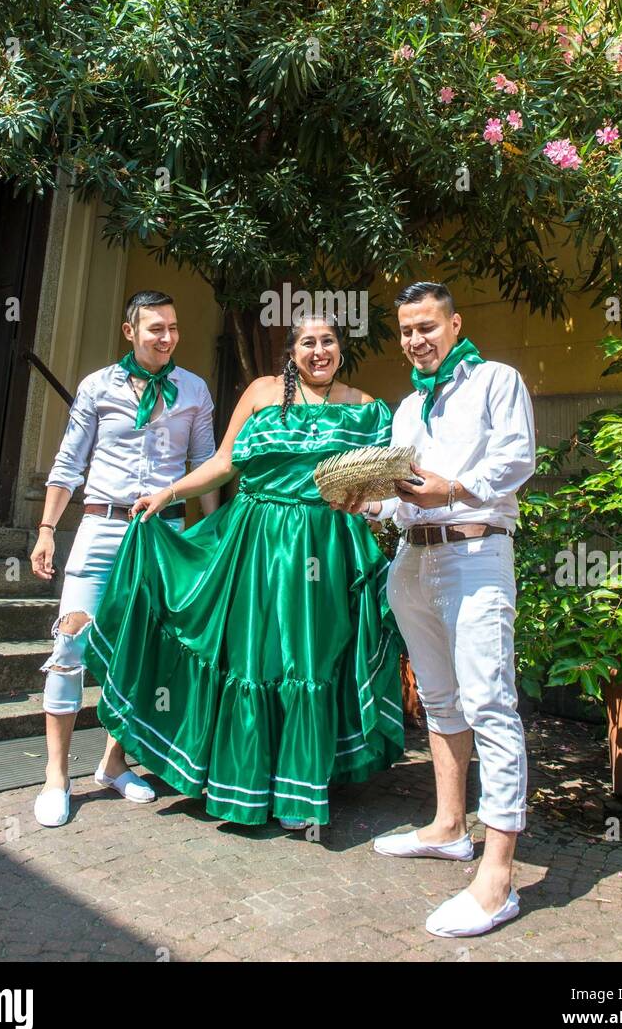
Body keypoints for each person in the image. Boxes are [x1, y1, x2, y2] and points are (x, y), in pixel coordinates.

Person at [82, 313, 404, 829]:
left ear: (342, 348)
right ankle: (242, 780)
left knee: (308, 659)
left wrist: (370, 509)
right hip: (255, 541)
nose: (318, 351)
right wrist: (170, 492)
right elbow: (226, 462)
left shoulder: (368, 409)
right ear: (291, 350)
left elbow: (383, 486)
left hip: (326, 548)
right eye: (307, 342)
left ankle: (299, 794)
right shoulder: (261, 392)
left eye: (328, 341)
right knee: (251, 656)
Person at [354, 282, 535, 938]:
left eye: (427, 326)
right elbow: (404, 498)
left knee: (489, 704)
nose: (415, 339)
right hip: (411, 561)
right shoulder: (407, 408)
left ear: (454, 324)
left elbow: (517, 458)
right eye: (405, 330)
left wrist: (453, 488)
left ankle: (496, 877)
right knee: (437, 701)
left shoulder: (495, 380)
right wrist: (367, 503)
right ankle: (448, 827)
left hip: (474, 554)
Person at [30, 290, 218, 827]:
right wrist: (46, 531)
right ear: (129, 331)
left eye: (174, 328)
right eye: (155, 328)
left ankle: (114, 763)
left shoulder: (194, 389)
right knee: (70, 643)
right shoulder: (97, 386)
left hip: (162, 534)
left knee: (145, 651)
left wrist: (207, 538)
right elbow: (69, 461)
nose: (167, 337)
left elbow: (204, 464)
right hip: (102, 526)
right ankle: (56, 776)